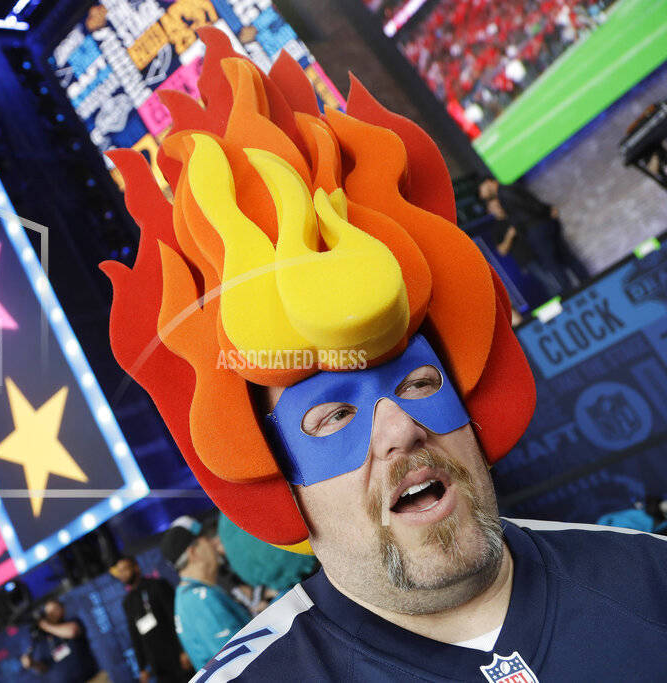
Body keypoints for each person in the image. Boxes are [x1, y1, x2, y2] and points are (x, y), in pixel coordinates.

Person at [100, 27, 667, 681]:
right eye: (333, 416)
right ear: (281, 478)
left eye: (421, 381)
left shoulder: (646, 575)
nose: (399, 425)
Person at [159, 517, 250, 670]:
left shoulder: (188, 597)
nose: (214, 543)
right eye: (206, 538)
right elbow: (243, 664)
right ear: (193, 552)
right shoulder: (201, 599)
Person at [479, 178, 588, 295]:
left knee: (555, 265)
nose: (482, 195)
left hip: (537, 229)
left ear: (488, 182)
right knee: (563, 259)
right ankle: (585, 284)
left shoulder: (505, 193)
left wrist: (545, 211)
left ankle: (572, 294)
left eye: (481, 190)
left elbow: (528, 205)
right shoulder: (508, 191)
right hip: (539, 230)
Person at [109, 555, 192, 682]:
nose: (123, 574)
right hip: (157, 665)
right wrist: (142, 668)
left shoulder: (158, 586)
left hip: (177, 655)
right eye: (120, 571)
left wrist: (183, 649)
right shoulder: (127, 602)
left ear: (136, 568)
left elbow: (175, 617)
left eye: (125, 569)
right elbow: (135, 636)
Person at [19, 599, 98, 682]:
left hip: (94, 677)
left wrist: (45, 625)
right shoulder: (42, 640)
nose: (51, 615)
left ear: (62, 609)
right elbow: (44, 668)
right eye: (48, 613)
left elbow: (73, 631)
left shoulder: (70, 621)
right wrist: (32, 664)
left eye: (55, 610)